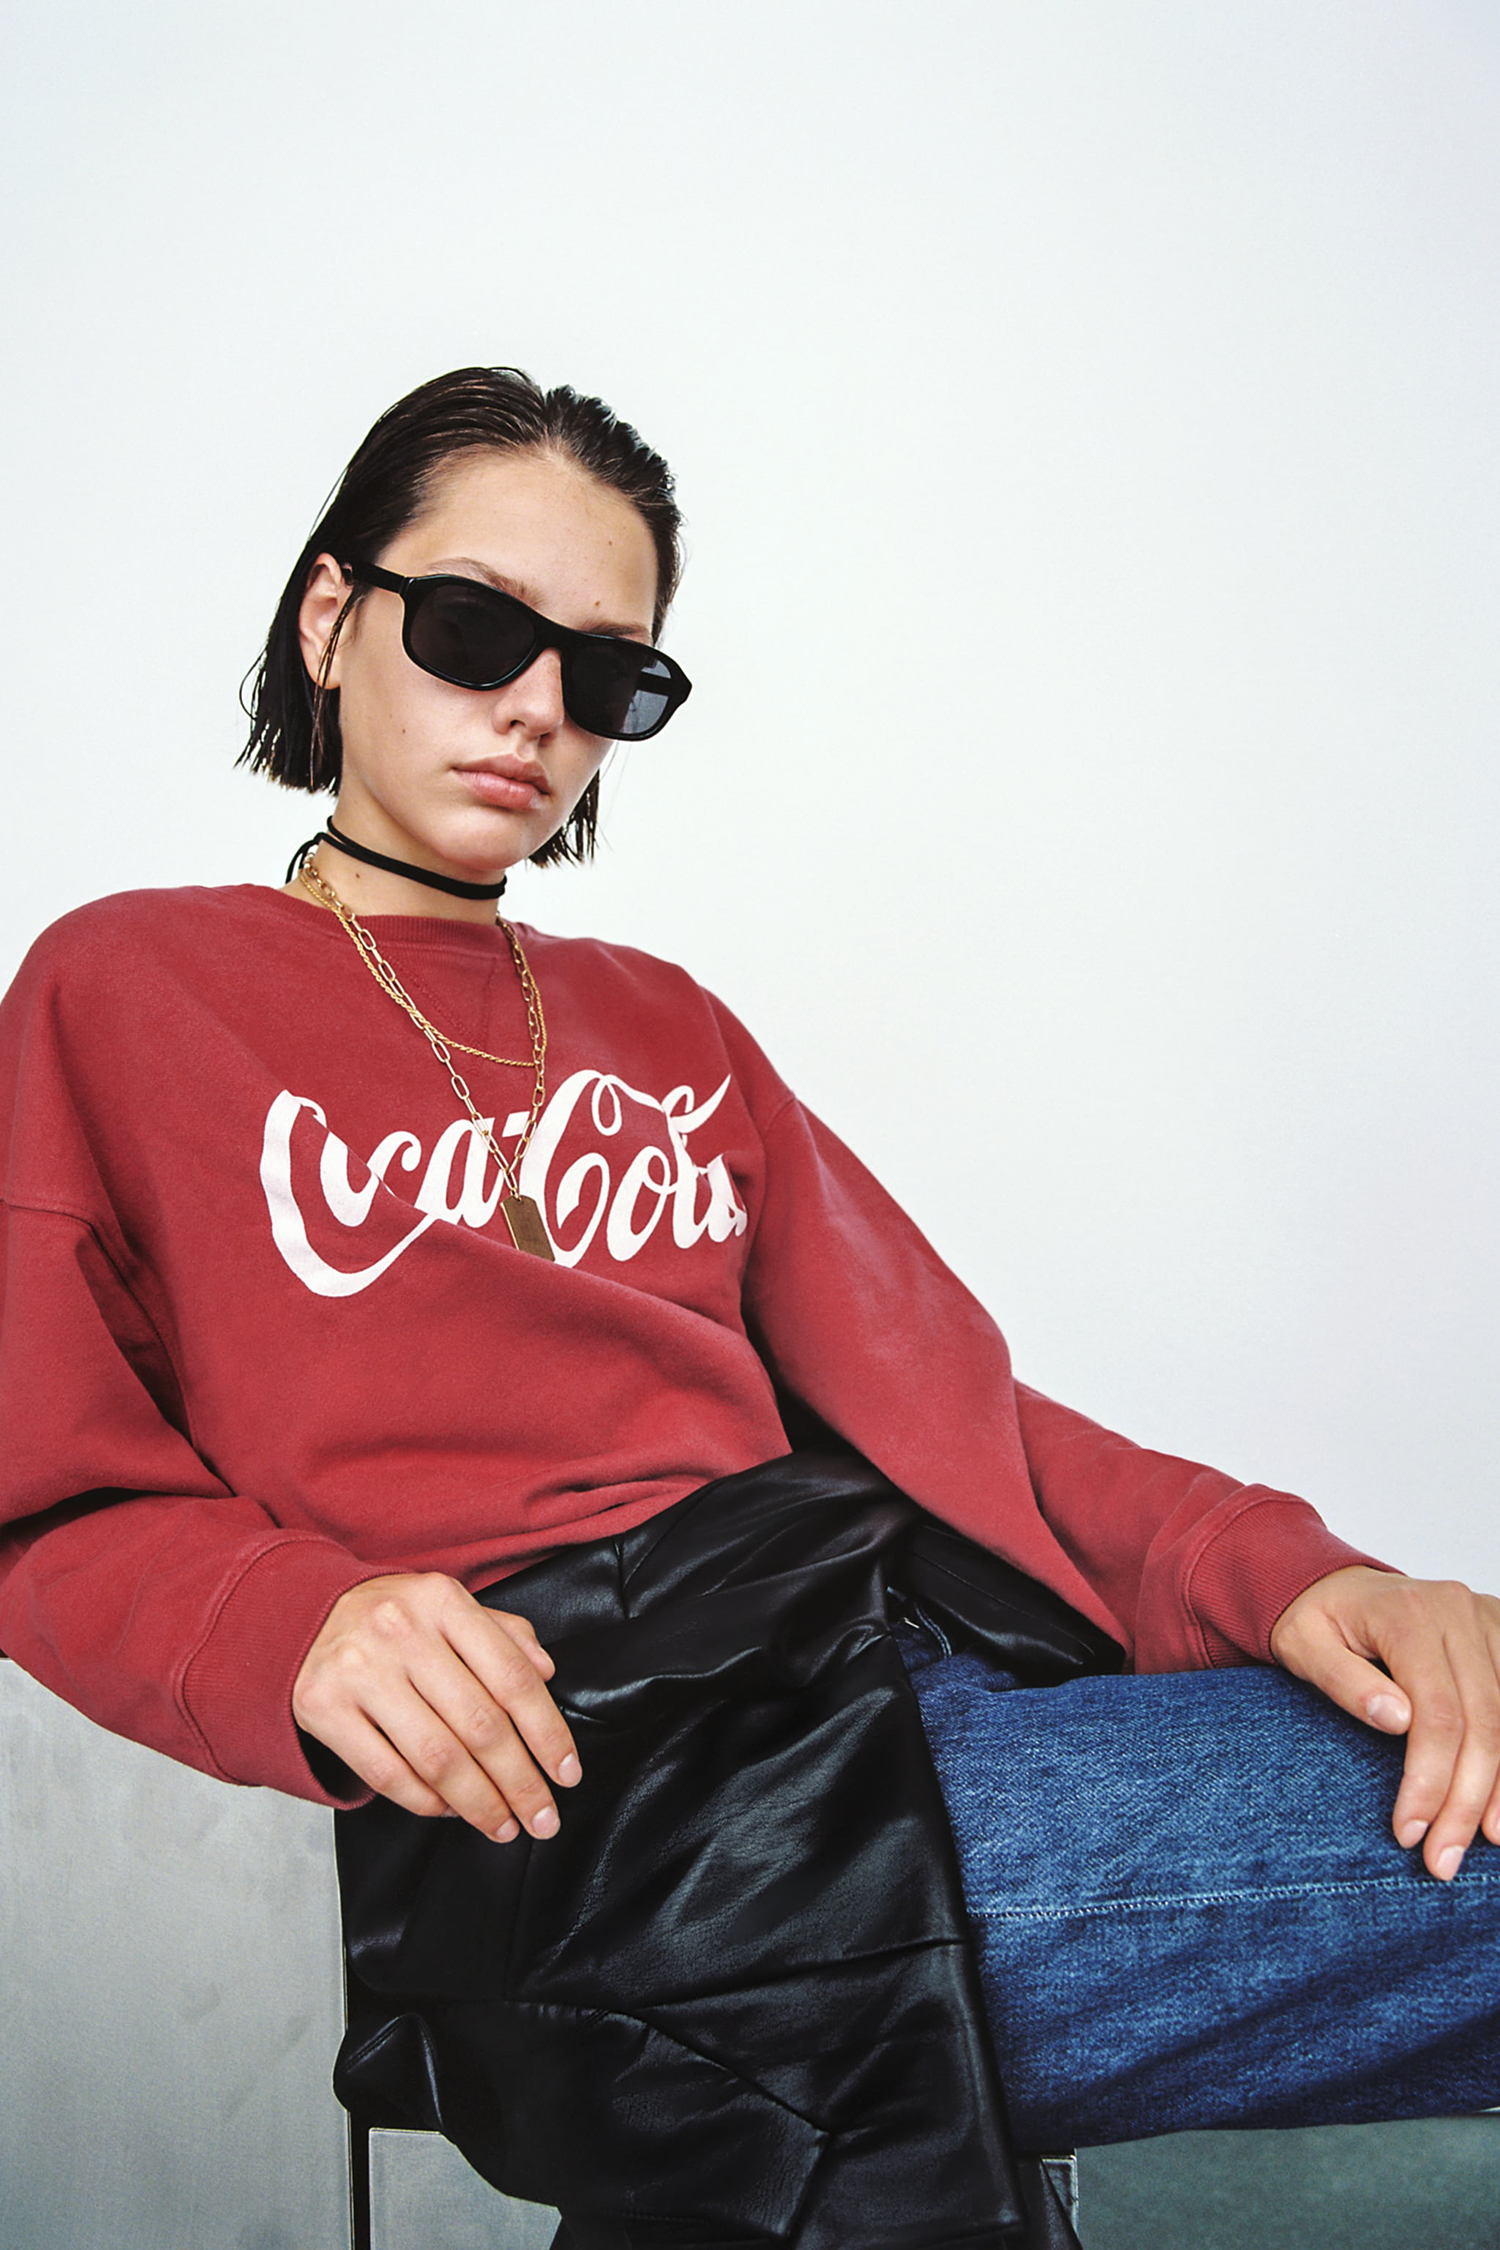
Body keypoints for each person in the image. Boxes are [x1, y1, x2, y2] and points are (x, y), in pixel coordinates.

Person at [0, 367, 1495, 2194]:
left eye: (608, 675)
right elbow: (38, 1488)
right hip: (601, 1790)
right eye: (474, 629)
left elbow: (957, 1421)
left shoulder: (667, 1024)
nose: (537, 709)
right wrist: (285, 1620)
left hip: (886, 1666)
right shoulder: (123, 987)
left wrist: (1299, 1570)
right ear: (331, 617)